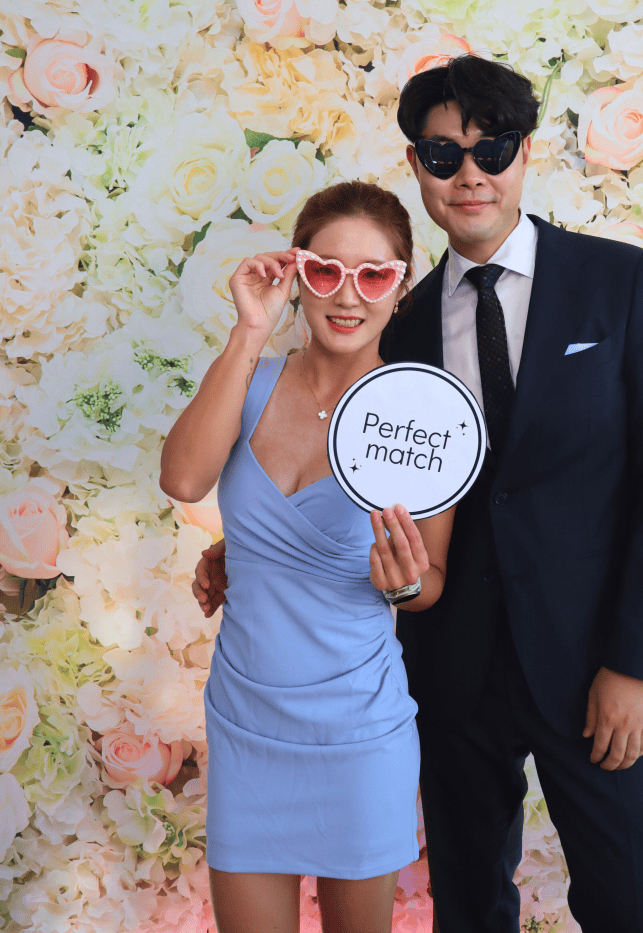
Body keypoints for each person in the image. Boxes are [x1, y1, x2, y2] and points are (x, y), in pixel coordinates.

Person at [192, 56, 643, 933]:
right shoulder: (400, 321)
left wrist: (637, 664)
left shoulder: (623, 286)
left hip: (597, 669)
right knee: (467, 909)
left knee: (633, 909)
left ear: (525, 153)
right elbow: (365, 471)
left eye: (491, 148)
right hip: (450, 671)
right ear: (417, 168)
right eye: (441, 155)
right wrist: (246, 546)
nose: (469, 174)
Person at [161, 180, 456, 933]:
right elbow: (183, 478)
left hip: (357, 733)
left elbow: (428, 585)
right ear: (295, 274)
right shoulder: (250, 383)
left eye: (374, 274)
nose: (347, 295)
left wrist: (401, 584)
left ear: (402, 286)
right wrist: (248, 331)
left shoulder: (419, 415)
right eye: (325, 270)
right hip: (245, 719)